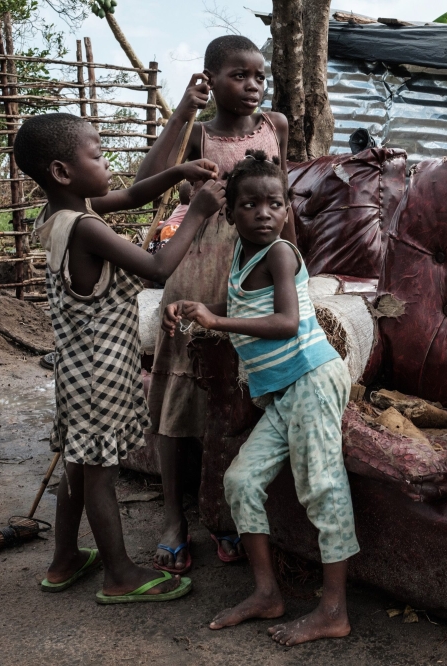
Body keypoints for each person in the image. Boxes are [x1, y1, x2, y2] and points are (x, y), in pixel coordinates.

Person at [14, 112, 226, 602]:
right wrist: (196, 213)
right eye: (98, 154)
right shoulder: (87, 228)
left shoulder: (59, 215)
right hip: (100, 372)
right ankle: (119, 574)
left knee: (77, 463)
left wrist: (176, 173)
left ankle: (65, 558)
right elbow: (157, 265)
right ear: (63, 171)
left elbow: (130, 196)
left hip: (76, 367)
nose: (108, 163)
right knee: (99, 476)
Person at [163, 151, 357, 645]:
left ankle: (334, 611)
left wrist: (217, 322)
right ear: (230, 213)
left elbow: (285, 323)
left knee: (322, 487)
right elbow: (248, 305)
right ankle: (267, 593)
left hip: (313, 379)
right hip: (282, 392)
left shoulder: (280, 253)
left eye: (275, 203)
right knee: (241, 480)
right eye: (250, 204)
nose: (264, 213)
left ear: (287, 210)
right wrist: (200, 306)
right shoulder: (241, 253)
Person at [134, 35, 296, 573]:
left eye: (259, 76)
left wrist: (297, 267)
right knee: (183, 400)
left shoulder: (276, 126)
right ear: (210, 77)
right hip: (199, 273)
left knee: (238, 396)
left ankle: (221, 514)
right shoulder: (198, 133)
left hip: (256, 274)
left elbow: (283, 198)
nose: (251, 86)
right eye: (237, 75)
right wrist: (183, 110)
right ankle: (174, 518)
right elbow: (142, 181)